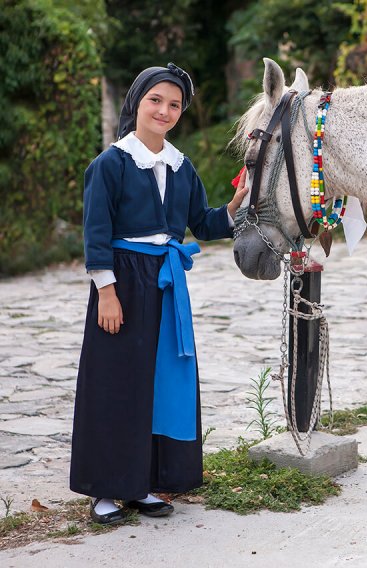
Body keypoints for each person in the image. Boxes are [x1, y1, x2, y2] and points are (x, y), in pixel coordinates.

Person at [70, 63, 249, 525]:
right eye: (156, 100)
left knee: (160, 381)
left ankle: (145, 483)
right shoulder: (109, 164)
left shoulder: (181, 166)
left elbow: (202, 223)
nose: (164, 111)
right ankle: (107, 488)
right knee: (116, 382)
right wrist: (106, 292)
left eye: (174, 105)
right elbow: (96, 233)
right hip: (122, 282)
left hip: (167, 284)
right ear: (137, 102)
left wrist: (231, 209)